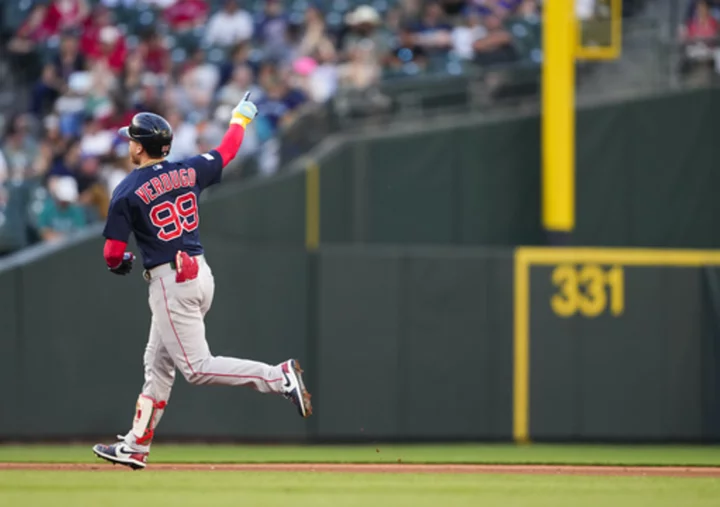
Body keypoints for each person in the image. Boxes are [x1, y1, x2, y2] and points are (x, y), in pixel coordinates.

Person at [91, 95, 312, 470]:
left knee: (196, 368)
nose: (128, 144)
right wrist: (240, 117)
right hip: (199, 272)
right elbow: (227, 150)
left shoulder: (127, 190)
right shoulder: (190, 170)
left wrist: (122, 261)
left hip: (169, 281)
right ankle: (136, 445)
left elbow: (112, 253)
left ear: (142, 147)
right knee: (157, 362)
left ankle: (278, 377)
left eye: (132, 139)